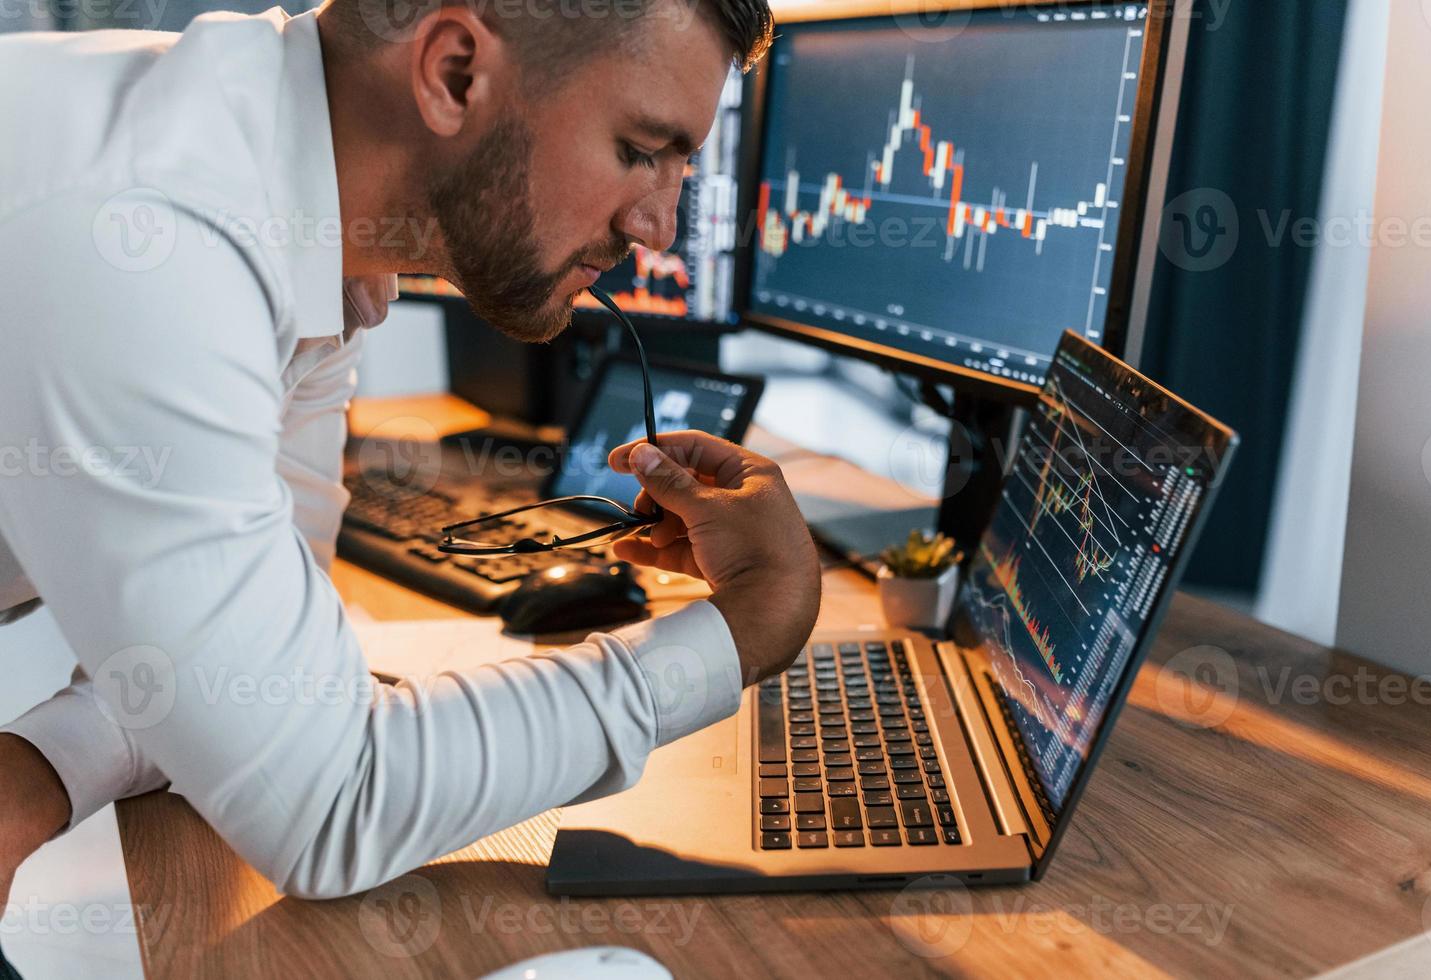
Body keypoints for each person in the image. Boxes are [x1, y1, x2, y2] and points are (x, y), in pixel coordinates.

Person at [0, 0, 820, 909]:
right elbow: (329, 803)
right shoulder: (154, 242)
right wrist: (742, 629)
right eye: (638, 149)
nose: (659, 226)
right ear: (454, 72)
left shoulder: (322, 249)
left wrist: (38, 771)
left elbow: (225, 695)